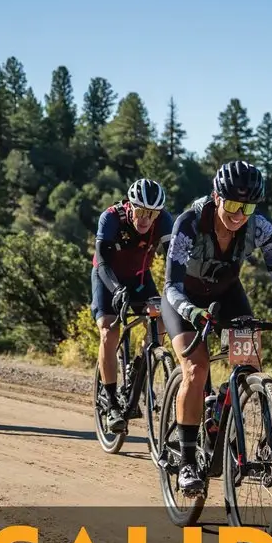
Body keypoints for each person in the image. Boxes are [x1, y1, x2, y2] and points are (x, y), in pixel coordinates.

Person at [162, 160, 272, 492]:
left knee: (249, 363)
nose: (238, 213)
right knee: (196, 369)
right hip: (183, 300)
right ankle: (187, 462)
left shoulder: (260, 227)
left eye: (247, 206)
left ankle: (231, 421)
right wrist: (193, 312)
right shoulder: (190, 222)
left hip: (226, 294)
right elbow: (171, 285)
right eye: (231, 204)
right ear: (216, 196)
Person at [91, 178, 174, 433]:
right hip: (108, 278)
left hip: (139, 278)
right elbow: (103, 261)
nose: (145, 219)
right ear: (130, 206)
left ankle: (139, 364)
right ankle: (112, 401)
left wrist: (176, 293)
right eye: (141, 212)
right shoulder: (111, 218)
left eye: (152, 214)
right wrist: (116, 290)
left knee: (162, 319)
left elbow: (174, 261)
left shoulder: (164, 221)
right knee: (109, 329)